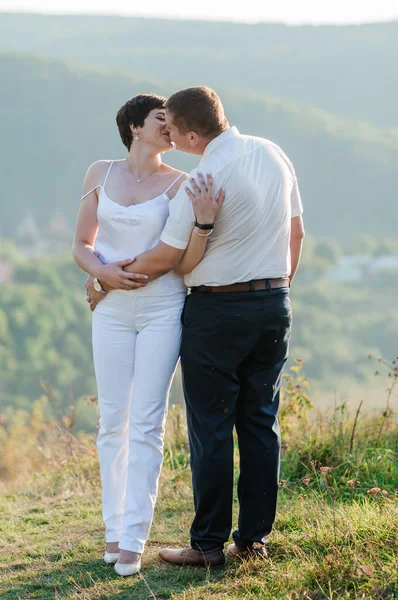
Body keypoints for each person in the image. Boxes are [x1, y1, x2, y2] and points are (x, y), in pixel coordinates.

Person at [112, 86, 305, 567]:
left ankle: (208, 546)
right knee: (261, 422)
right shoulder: (273, 152)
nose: (169, 136)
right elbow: (297, 231)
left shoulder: (203, 180)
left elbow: (168, 258)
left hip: (218, 312)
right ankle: (254, 541)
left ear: (194, 134)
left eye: (174, 130)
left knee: (212, 428)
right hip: (275, 302)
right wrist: (276, 292)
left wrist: (107, 277)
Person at [72, 92, 224, 577]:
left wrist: (110, 276)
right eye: (162, 119)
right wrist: (99, 275)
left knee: (146, 423)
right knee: (111, 422)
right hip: (111, 312)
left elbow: (176, 256)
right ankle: (113, 530)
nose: (171, 126)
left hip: (163, 309)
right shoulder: (99, 172)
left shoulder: (182, 183)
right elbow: (81, 242)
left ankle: (136, 536)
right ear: (136, 127)